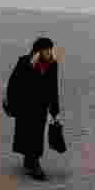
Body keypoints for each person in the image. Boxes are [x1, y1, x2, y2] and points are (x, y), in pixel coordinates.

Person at [5, 37, 61, 181]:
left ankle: (32, 161)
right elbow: (13, 83)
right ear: (38, 51)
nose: (49, 52)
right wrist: (12, 103)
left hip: (41, 107)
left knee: (36, 134)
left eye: (50, 49)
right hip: (25, 106)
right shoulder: (25, 62)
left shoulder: (52, 64)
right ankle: (32, 162)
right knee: (26, 133)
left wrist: (55, 111)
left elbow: (53, 88)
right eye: (46, 50)